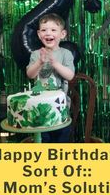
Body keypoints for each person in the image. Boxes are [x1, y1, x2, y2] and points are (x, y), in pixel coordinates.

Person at [26, 13, 75, 142]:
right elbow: (30, 75)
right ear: (39, 34)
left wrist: (55, 63)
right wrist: (40, 63)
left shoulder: (66, 54)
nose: (48, 33)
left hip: (61, 107)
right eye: (44, 30)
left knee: (61, 140)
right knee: (43, 140)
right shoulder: (36, 54)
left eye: (53, 30)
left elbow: (70, 75)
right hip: (40, 108)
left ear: (62, 34)